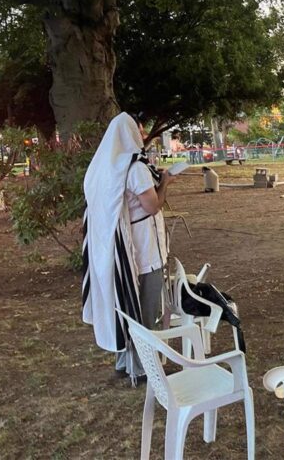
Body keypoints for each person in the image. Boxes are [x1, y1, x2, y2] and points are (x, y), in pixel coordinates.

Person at [81, 112, 175, 384]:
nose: (142, 135)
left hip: (118, 251)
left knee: (125, 306)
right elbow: (152, 205)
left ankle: (125, 362)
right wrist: (165, 183)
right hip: (143, 250)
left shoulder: (104, 167)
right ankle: (144, 368)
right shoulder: (135, 169)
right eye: (139, 130)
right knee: (144, 309)